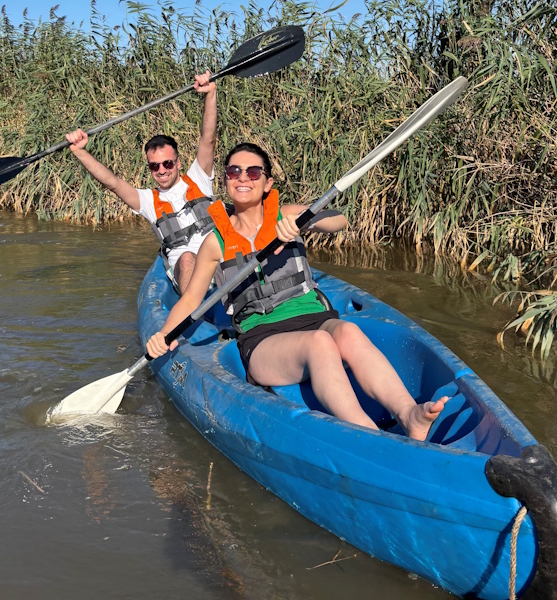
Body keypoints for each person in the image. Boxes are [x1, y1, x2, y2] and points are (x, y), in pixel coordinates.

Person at [146, 142, 448, 441]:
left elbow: (339, 220)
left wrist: (305, 221)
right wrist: (163, 335)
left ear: (267, 183)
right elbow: (191, 299)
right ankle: (367, 433)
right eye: (234, 171)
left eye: (253, 172)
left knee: (348, 332)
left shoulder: (287, 215)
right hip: (262, 337)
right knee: (319, 343)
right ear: (225, 180)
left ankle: (409, 414)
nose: (242, 178)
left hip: (315, 317)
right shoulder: (215, 242)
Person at [65, 71, 218, 293]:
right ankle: (194, 310)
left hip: (219, 259)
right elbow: (112, 183)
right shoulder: (147, 200)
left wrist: (210, 93)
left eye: (167, 163)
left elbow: (208, 139)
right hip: (189, 270)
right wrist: (80, 152)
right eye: (154, 166)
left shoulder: (198, 178)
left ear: (177, 163)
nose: (162, 170)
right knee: (186, 258)